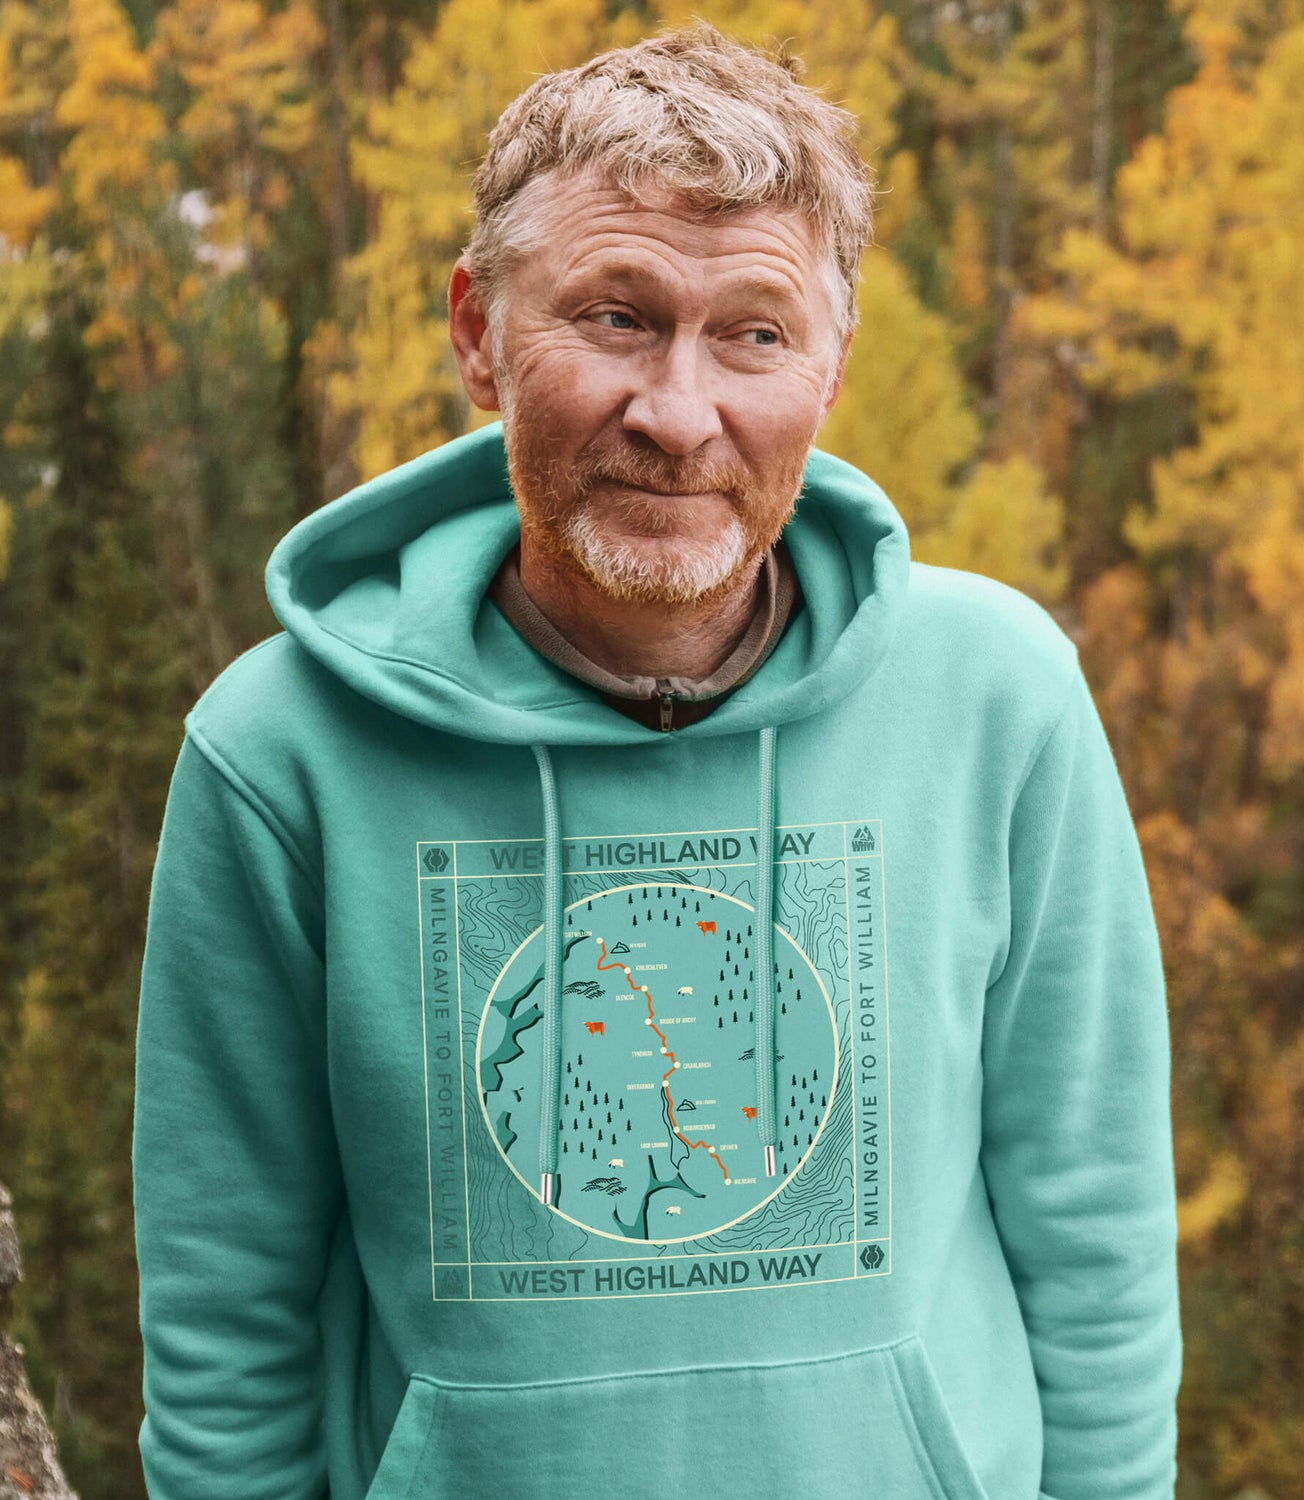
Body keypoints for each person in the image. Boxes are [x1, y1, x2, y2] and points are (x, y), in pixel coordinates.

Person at [134, 26, 1179, 1500]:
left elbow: (1098, 1229)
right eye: (615, 317)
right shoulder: (277, 753)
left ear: (830, 367)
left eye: (754, 332)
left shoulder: (996, 700)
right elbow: (222, 1309)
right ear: (478, 332)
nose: (679, 415)